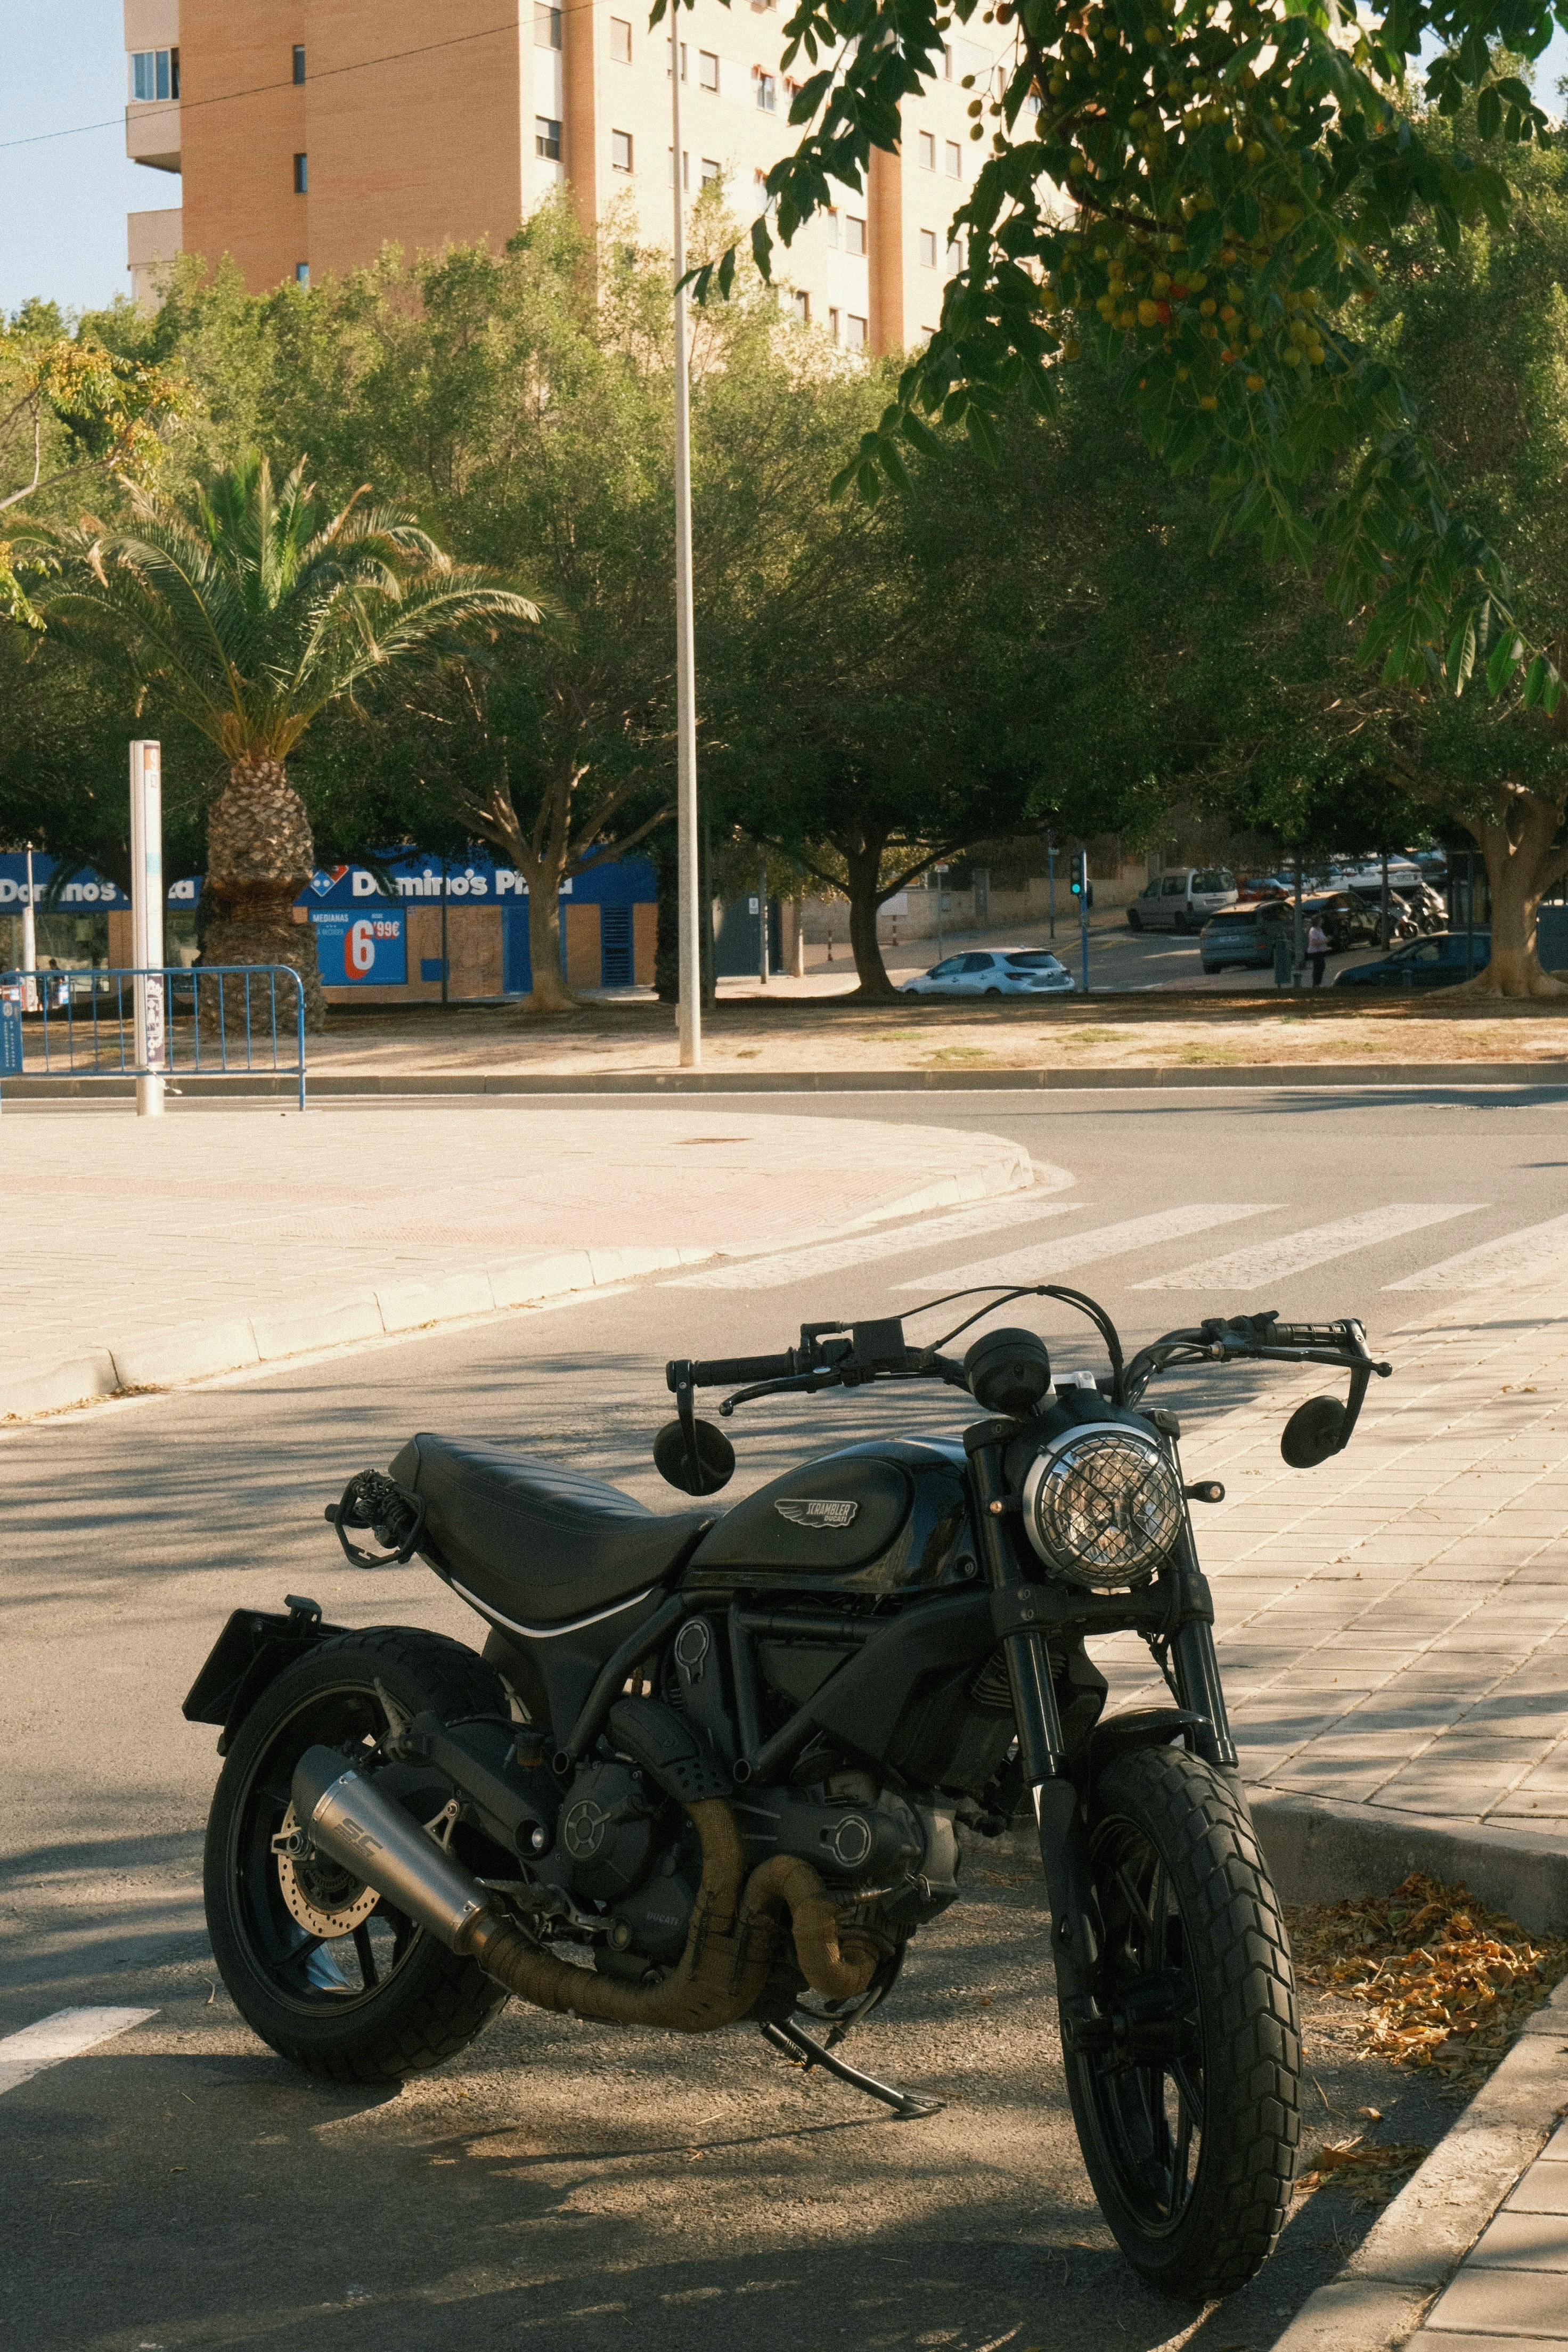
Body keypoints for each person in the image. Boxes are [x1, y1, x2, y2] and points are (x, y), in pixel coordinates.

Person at [1306, 917, 1330, 989]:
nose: (1322, 921)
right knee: (1318, 967)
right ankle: (1316, 984)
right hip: (1315, 952)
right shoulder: (1313, 931)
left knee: (1321, 966)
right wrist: (1326, 941)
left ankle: (1318, 984)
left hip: (1320, 951)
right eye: (1321, 920)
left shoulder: (1320, 930)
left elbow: (1322, 939)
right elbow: (1315, 942)